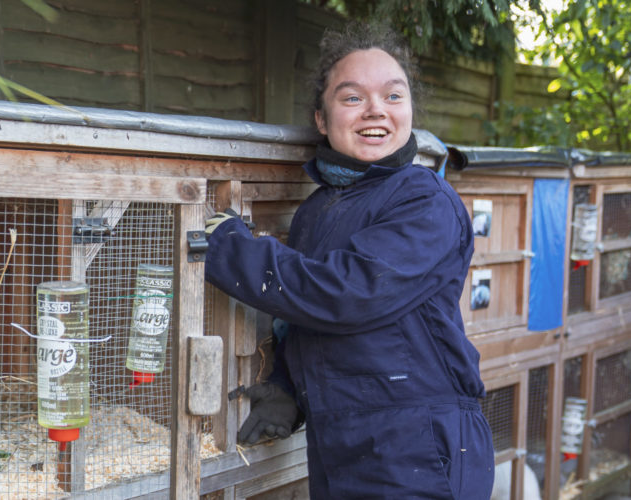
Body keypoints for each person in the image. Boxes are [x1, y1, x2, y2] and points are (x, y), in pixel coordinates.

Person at [203, 22, 495, 499]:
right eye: (353, 97)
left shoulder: (425, 200)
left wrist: (227, 248)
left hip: (418, 447)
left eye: (393, 96)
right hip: (340, 446)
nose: (376, 109)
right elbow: (304, 317)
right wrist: (287, 388)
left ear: (410, 112)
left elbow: (347, 294)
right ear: (322, 118)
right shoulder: (318, 209)